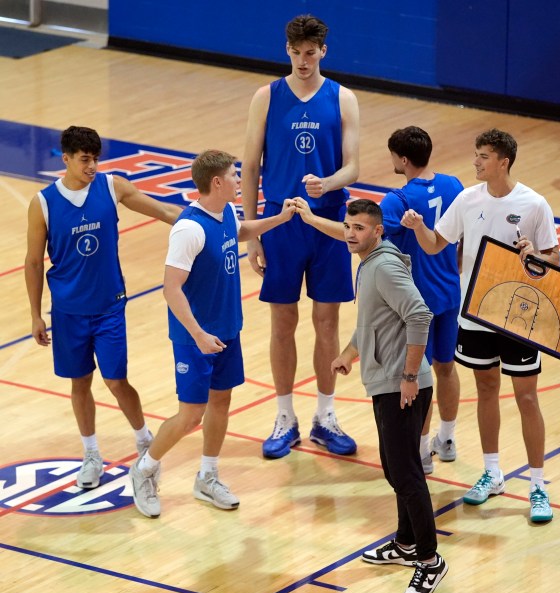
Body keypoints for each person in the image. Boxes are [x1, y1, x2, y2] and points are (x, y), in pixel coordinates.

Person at [401, 128, 559, 523]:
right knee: (486, 389)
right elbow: (436, 244)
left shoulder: (534, 204)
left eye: (483, 156)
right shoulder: (467, 200)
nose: (475, 162)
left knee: (526, 398)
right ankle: (492, 472)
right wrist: (418, 225)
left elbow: (554, 261)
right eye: (476, 155)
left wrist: (535, 255)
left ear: (503, 161)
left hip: (519, 315)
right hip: (475, 315)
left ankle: (537, 485)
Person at [129, 150, 295, 518]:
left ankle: (207, 476)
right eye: (235, 175)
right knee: (190, 414)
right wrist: (199, 334)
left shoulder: (226, 213)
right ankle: (144, 469)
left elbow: (241, 232)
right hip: (195, 337)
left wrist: (280, 219)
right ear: (216, 182)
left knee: (221, 404)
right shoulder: (189, 229)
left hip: (227, 330)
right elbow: (171, 289)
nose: (240, 181)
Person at [24, 125, 183, 490]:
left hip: (109, 307)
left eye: (95, 158)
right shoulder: (44, 203)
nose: (92, 165)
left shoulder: (112, 187)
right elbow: (33, 263)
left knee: (115, 380)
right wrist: (35, 314)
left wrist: (203, 219)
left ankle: (145, 442)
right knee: (80, 383)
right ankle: (91, 454)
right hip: (67, 311)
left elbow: (165, 211)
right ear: (66, 159)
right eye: (85, 159)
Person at [242, 14, 360, 459]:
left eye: (312, 53)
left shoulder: (343, 98)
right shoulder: (266, 97)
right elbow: (250, 165)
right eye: (297, 52)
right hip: (280, 221)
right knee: (282, 323)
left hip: (328, 220)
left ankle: (325, 417)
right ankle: (284, 416)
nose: (304, 60)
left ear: (323, 51)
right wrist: (252, 232)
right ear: (286, 49)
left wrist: (328, 184)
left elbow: (353, 167)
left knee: (327, 322)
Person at [332, 199, 447, 593]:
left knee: (407, 476)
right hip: (388, 382)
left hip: (402, 387)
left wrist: (410, 377)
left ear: (378, 231)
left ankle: (430, 561)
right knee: (396, 470)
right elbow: (374, 322)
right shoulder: (369, 263)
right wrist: (349, 353)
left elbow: (420, 315)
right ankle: (405, 543)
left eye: (360, 228)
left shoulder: (382, 266)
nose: (350, 233)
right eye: (348, 226)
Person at [381, 126, 463, 475]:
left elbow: (365, 239)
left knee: (419, 376)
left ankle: (421, 451)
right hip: (450, 292)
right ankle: (447, 439)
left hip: (418, 302)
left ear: (402, 159)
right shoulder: (454, 186)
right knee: (447, 368)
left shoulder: (396, 200)